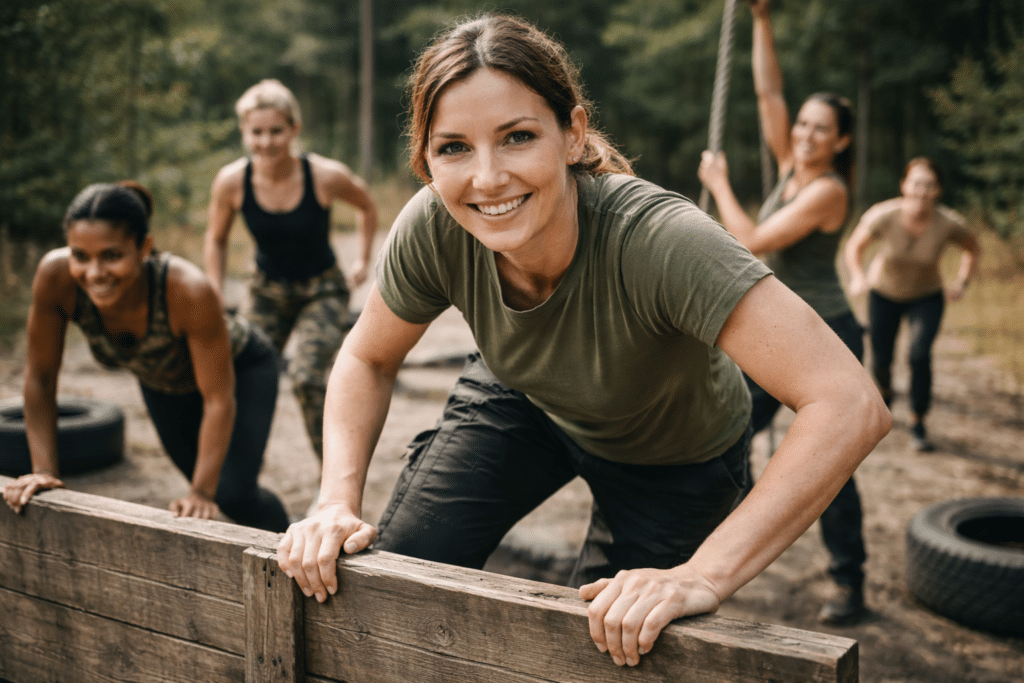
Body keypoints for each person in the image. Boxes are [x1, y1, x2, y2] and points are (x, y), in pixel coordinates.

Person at [277, 12, 889, 667]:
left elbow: (849, 401)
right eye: (453, 146)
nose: (487, 178)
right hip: (524, 398)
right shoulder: (433, 224)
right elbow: (368, 356)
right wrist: (335, 499)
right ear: (425, 158)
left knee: (609, 644)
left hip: (675, 456)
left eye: (516, 137)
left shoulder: (658, 240)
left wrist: (703, 573)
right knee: (397, 573)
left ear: (572, 134)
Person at [697, 0, 871, 625]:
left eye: (821, 129)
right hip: (781, 334)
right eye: (803, 125)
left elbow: (752, 239)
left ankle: (849, 581)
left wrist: (718, 184)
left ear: (842, 141)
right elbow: (769, 91)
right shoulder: (796, 166)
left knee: (826, 457)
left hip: (830, 337)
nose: (805, 134)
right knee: (728, 432)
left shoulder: (829, 191)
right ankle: (712, 550)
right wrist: (763, 20)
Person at [2, 182, 289, 532]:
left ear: (144, 248)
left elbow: (218, 398)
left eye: (111, 255)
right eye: (80, 255)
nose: (94, 273)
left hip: (242, 371)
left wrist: (200, 491)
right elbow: (41, 378)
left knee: (230, 493)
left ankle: (288, 538)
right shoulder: (55, 277)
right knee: (214, 490)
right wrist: (44, 471)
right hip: (162, 382)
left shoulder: (187, 289)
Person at [205, 78, 379, 461]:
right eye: (257, 132)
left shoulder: (324, 175)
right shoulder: (232, 181)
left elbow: (367, 204)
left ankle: (331, 478)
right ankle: (236, 471)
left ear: (294, 130)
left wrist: (363, 259)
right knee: (240, 374)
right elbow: (216, 238)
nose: (266, 142)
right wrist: (215, 292)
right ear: (244, 132)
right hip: (267, 291)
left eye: (276, 131)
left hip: (323, 289)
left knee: (308, 379)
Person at [844, 157, 980, 452]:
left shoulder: (949, 223)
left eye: (929, 185)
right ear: (904, 185)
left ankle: (918, 420)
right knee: (881, 358)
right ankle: (887, 390)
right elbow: (855, 246)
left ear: (938, 190)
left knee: (919, 355)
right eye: (916, 183)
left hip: (927, 296)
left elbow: (973, 249)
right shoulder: (884, 215)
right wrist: (858, 277)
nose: (922, 191)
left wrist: (962, 283)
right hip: (884, 293)